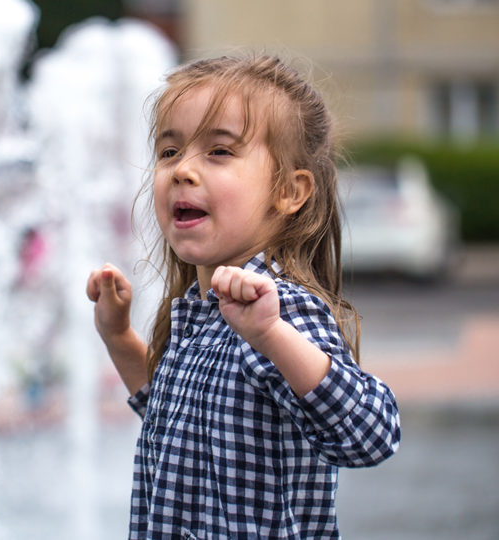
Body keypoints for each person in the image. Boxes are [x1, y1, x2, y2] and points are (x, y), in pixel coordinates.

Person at [86, 55, 401, 538]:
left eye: (219, 152)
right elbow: (167, 414)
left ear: (290, 191)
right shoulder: (201, 312)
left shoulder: (280, 309)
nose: (182, 170)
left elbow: (371, 435)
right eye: (169, 152)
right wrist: (116, 334)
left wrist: (271, 334)